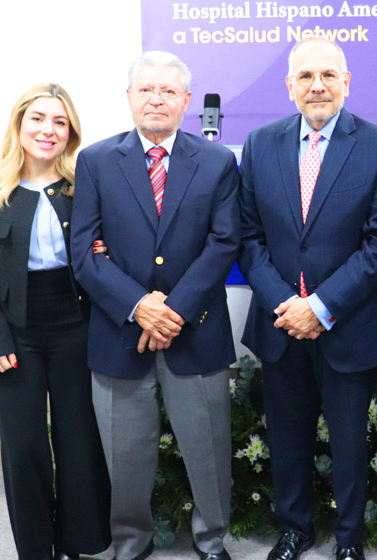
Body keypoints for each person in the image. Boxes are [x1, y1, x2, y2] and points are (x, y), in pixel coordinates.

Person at [237, 36, 377, 560]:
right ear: (289, 86)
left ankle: (350, 538)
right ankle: (295, 528)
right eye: (306, 77)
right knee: (287, 439)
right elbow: (249, 237)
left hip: (347, 325)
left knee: (349, 443)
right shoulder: (260, 143)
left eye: (328, 76)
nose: (317, 86)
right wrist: (287, 306)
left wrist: (321, 306)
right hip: (280, 324)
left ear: (346, 82)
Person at [70, 51, 240, 560]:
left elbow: (224, 243)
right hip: (120, 334)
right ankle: (131, 541)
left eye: (168, 91)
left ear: (187, 101)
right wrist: (139, 304)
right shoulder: (98, 160)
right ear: (129, 98)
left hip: (196, 331)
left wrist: (173, 311)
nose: (156, 99)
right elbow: (84, 250)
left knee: (209, 454)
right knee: (125, 457)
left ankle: (212, 541)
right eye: (146, 89)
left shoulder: (217, 161)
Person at [0, 83, 111, 560]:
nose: (48, 130)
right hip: (14, 333)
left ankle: (75, 543)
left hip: (77, 326)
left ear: (70, 132)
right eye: (39, 119)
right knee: (25, 447)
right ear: (19, 124)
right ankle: (35, 548)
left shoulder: (85, 186)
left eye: (59, 122)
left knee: (77, 442)